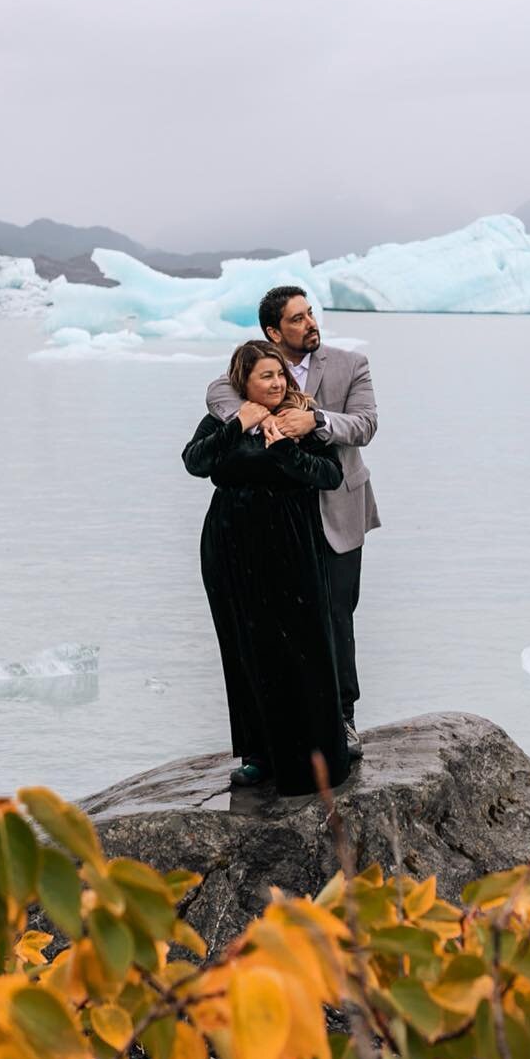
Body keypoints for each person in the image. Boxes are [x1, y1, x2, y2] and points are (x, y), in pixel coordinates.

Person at [206, 285, 378, 760]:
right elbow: (219, 394)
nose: (310, 323)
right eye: (297, 319)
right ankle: (282, 731)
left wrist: (316, 420)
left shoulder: (350, 365)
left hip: (338, 508)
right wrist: (258, 419)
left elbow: (364, 423)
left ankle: (343, 719)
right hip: (280, 525)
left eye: (310, 314)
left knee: (337, 617)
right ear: (273, 331)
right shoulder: (254, 370)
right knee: (281, 624)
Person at [183, 341, 349, 795]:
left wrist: (286, 451)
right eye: (266, 377)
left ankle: (312, 758)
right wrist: (238, 425)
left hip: (290, 543)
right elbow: (195, 462)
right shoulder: (226, 418)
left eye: (280, 374)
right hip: (230, 545)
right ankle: (257, 755)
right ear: (244, 383)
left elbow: (330, 475)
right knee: (244, 648)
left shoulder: (300, 416)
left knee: (302, 648)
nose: (277, 383)